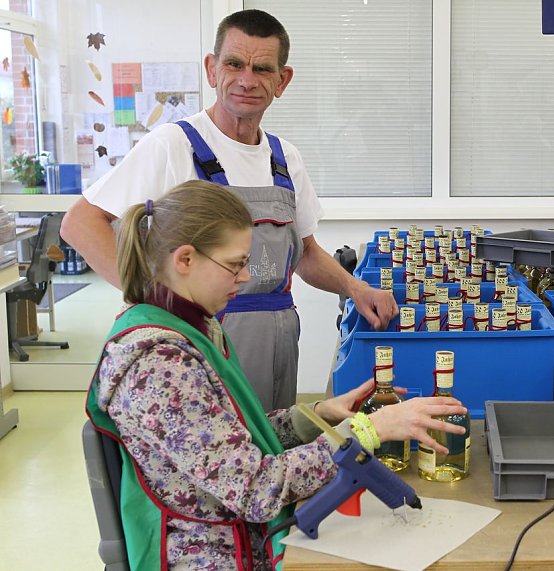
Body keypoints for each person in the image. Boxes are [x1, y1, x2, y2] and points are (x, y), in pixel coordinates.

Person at [85, 181, 467, 571]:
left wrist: (318, 414)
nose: (246, 276)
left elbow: (231, 437)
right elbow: (254, 488)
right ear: (185, 259)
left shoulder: (191, 328)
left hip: (239, 536)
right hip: (210, 554)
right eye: (235, 264)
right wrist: (370, 431)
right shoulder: (160, 364)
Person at [62, 9, 396, 411]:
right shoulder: (173, 144)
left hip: (278, 340)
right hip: (200, 341)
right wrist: (157, 304)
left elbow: (304, 253)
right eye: (234, 64)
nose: (246, 79)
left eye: (262, 68)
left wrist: (356, 289)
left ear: (281, 81)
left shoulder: (284, 158)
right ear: (211, 69)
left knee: (275, 443)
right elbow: (80, 224)